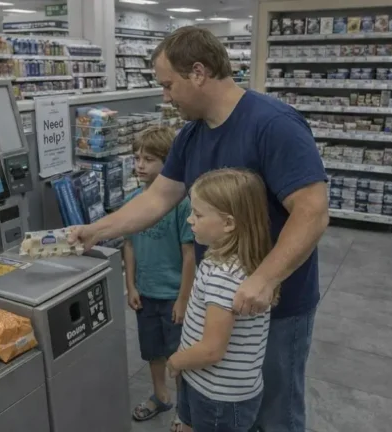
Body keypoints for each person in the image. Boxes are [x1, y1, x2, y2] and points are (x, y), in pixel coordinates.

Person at [68, 26, 329, 432]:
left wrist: (263, 279)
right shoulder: (191, 136)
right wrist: (96, 230)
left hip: (276, 306)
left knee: (275, 414)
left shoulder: (273, 124)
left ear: (199, 72)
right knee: (227, 404)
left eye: (168, 85)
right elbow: (156, 199)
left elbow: (312, 212)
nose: (165, 97)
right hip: (219, 303)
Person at [167, 168, 276, 432]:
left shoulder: (225, 275)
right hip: (211, 387)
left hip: (217, 397)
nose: (190, 220)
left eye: (198, 214)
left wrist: (176, 361)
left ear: (228, 223)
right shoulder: (239, 262)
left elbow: (212, 350)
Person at [125, 126, 195, 430]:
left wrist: (183, 298)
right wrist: (130, 284)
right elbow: (128, 243)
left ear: (168, 162)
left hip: (172, 294)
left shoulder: (181, 203)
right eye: (137, 157)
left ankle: (185, 409)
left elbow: (189, 254)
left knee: (179, 356)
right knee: (152, 350)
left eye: (149, 159)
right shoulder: (132, 198)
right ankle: (160, 395)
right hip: (145, 292)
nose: (140, 165)